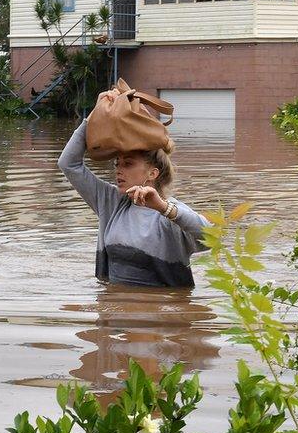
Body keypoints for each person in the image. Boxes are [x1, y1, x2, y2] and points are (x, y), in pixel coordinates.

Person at [57, 89, 208, 287]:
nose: (118, 170)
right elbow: (68, 163)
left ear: (152, 173)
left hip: (161, 313)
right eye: (116, 164)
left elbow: (211, 235)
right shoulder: (111, 202)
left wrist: (163, 208)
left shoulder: (171, 212)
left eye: (127, 164)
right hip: (113, 309)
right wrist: (97, 115)